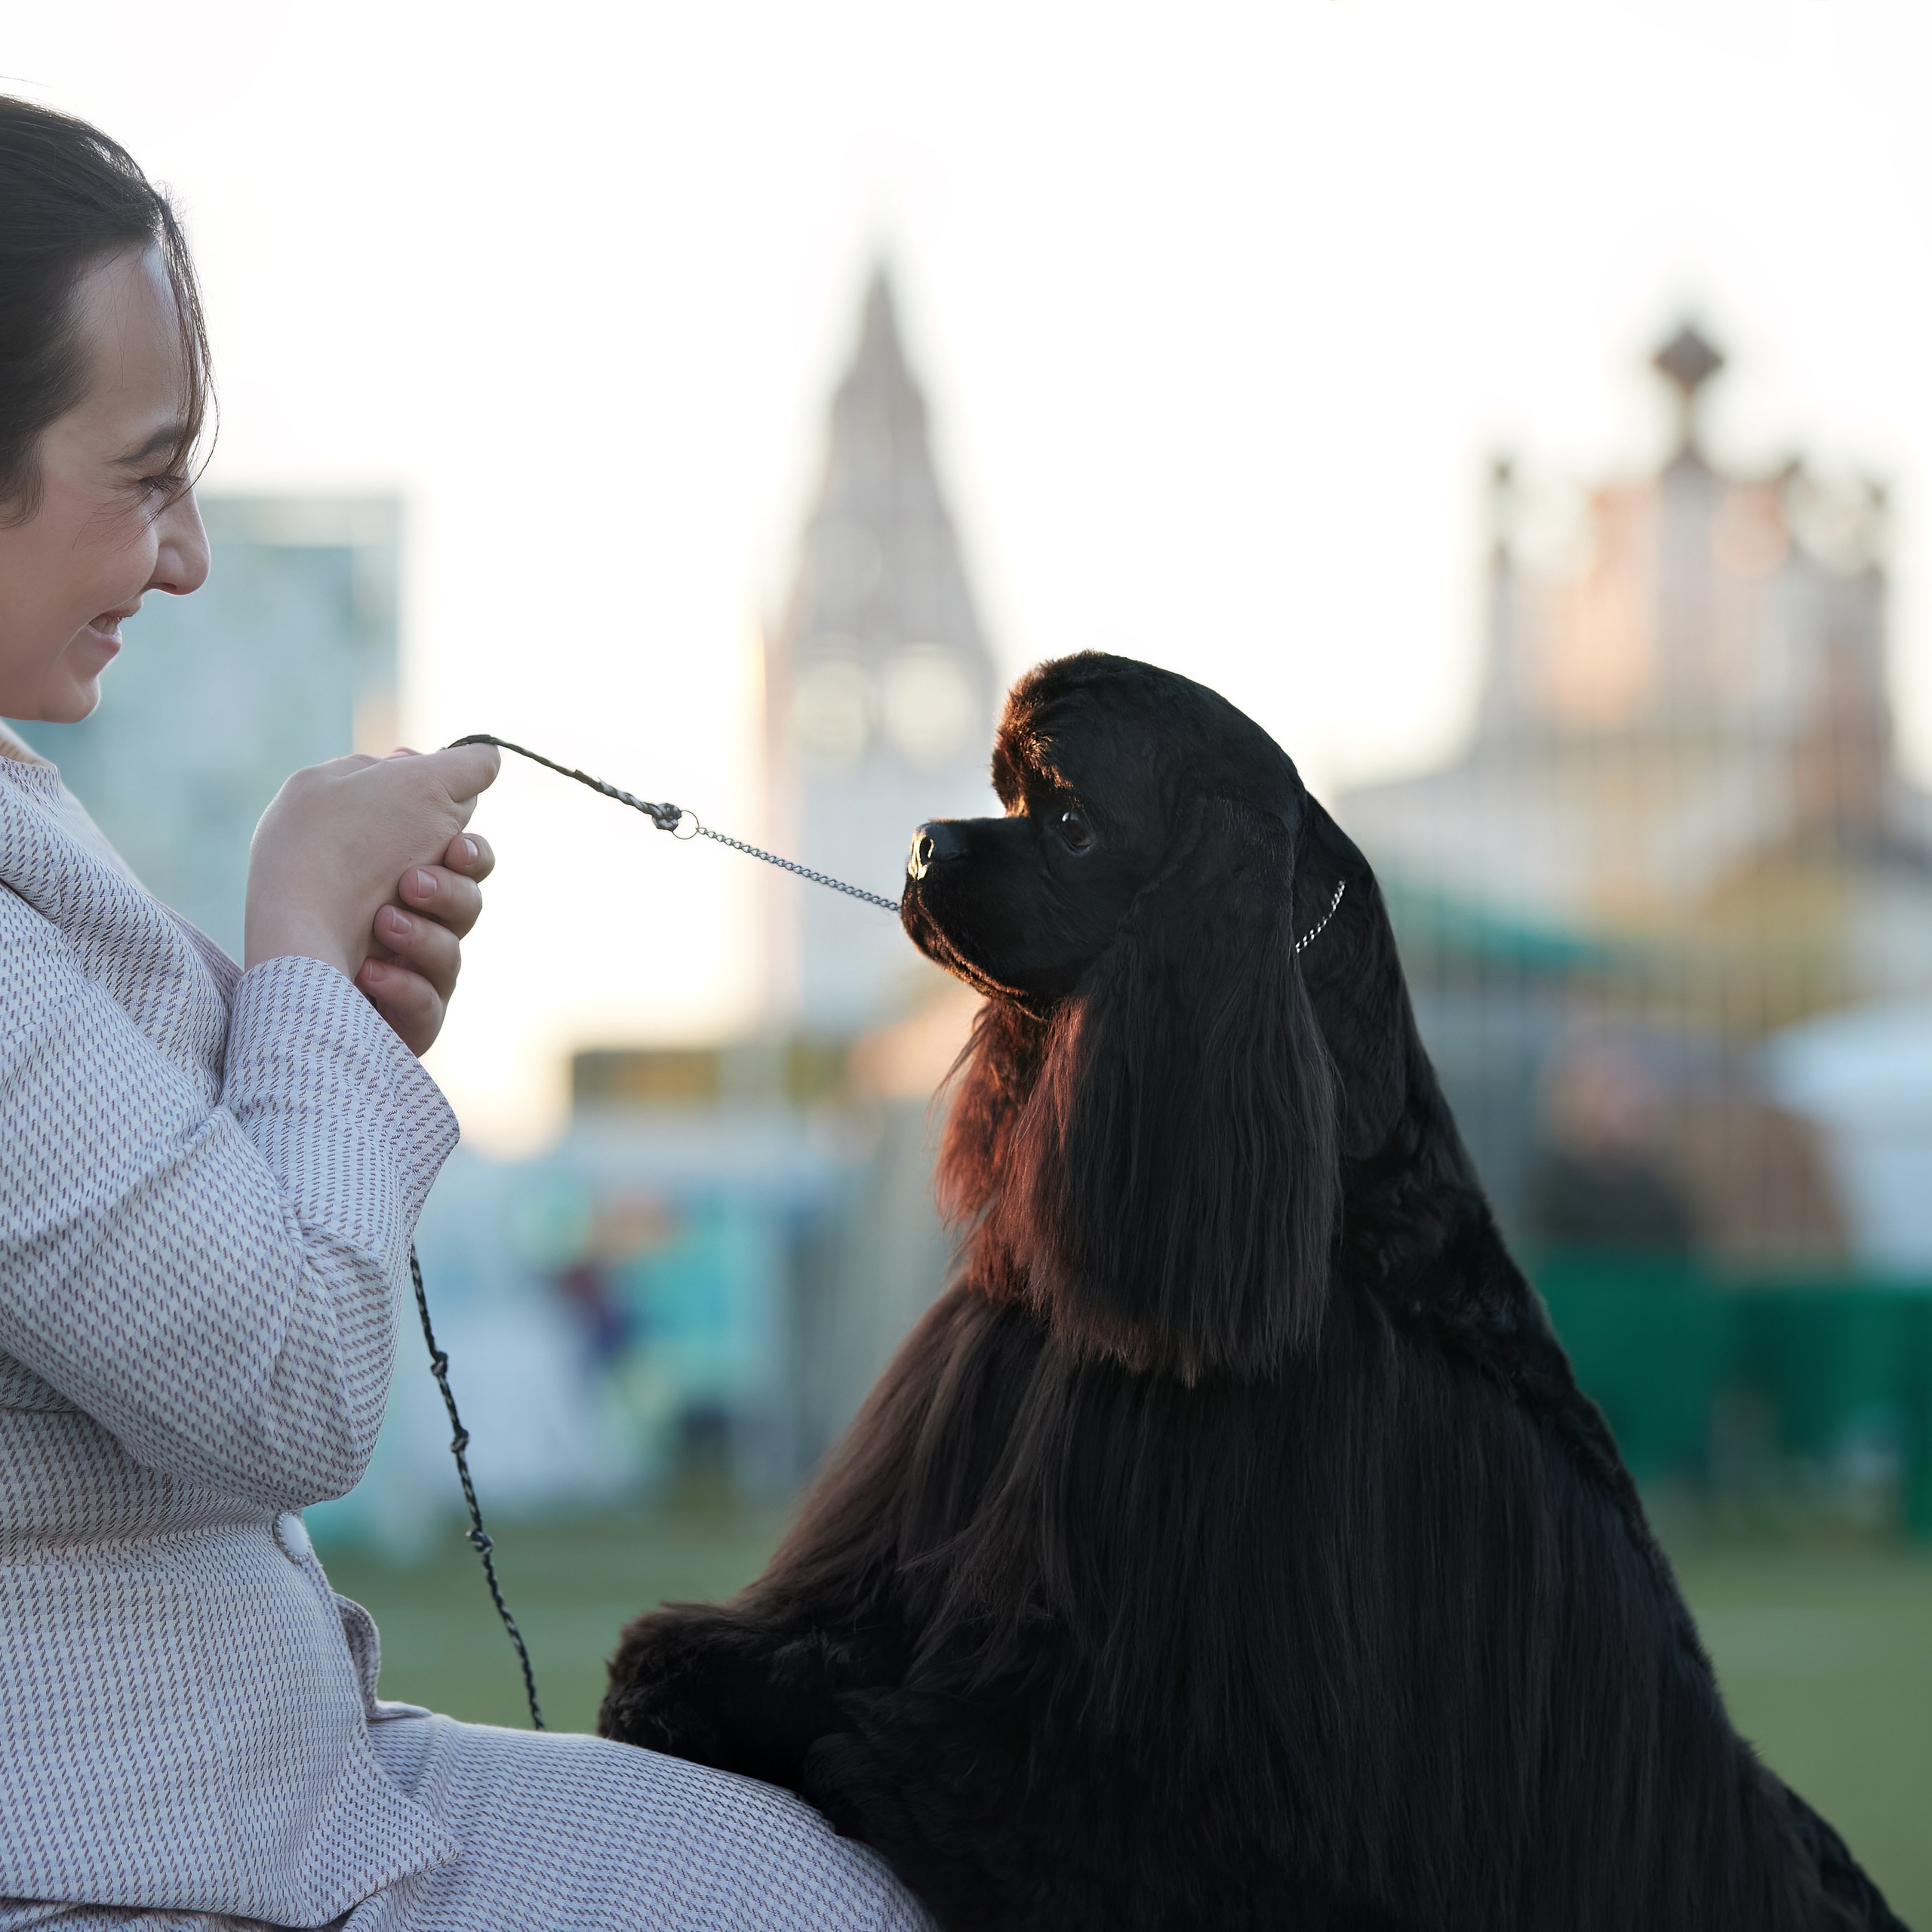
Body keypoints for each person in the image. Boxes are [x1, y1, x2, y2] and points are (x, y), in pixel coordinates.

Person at [0, 98, 929, 1932]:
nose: (183, 557)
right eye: (146, 473)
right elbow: (285, 1381)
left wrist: (324, 1017)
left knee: (833, 1885)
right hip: (137, 1856)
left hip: (277, 1784)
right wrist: (293, 948)